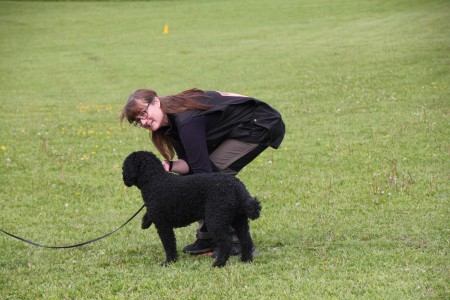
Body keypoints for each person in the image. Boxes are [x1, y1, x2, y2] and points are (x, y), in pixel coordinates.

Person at [120, 88, 285, 255]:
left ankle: (236, 242)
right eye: (137, 121)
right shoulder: (170, 123)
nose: (143, 122)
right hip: (240, 127)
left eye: (143, 113)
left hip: (259, 124)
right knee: (199, 177)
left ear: (156, 102)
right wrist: (170, 166)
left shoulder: (186, 120)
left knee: (213, 178)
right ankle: (207, 237)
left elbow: (203, 173)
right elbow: (190, 163)